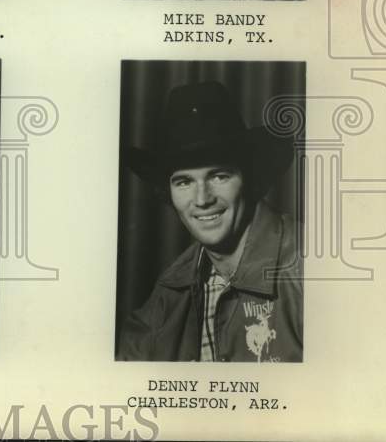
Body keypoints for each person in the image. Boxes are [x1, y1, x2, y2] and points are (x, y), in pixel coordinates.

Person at [118, 80, 302, 362]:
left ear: (249, 179)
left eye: (219, 176)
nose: (202, 199)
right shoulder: (169, 294)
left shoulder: (311, 268)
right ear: (169, 193)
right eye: (184, 182)